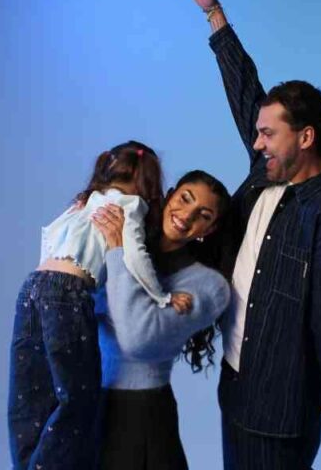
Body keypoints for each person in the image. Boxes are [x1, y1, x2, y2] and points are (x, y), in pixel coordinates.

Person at [172, 0, 321, 470]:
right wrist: (213, 11)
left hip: (281, 415)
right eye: (258, 133)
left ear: (305, 138)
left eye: (268, 134)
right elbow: (244, 88)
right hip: (237, 389)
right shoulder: (268, 168)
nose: (257, 141)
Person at [7, 141, 193, 470]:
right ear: (148, 182)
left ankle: (25, 464)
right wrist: (161, 296)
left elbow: (48, 235)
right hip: (69, 291)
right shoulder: (130, 206)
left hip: (33, 286)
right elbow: (133, 256)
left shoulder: (84, 201)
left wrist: (47, 281)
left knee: (31, 394)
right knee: (77, 397)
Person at [91, 169, 233, 470]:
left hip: (142, 416)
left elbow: (137, 338)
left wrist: (117, 251)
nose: (187, 215)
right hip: (90, 403)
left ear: (209, 229)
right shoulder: (128, 236)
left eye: (203, 215)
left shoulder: (209, 287)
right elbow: (78, 301)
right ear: (169, 196)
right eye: (184, 198)